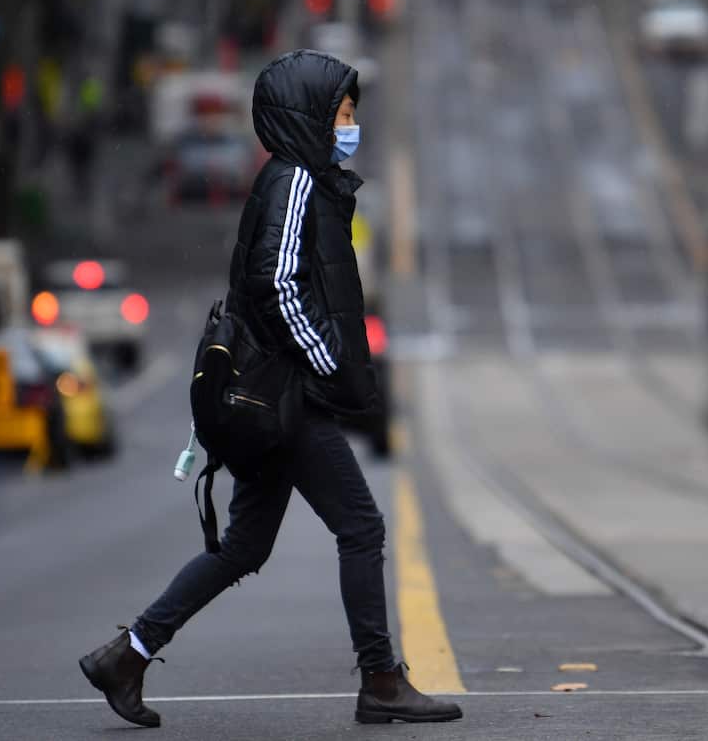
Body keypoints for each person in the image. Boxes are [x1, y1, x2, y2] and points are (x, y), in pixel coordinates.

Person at [78, 50, 462, 728]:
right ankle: (380, 679)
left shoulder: (302, 179)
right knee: (362, 526)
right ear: (308, 116)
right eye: (343, 114)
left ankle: (128, 654)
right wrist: (328, 362)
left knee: (244, 547)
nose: (351, 126)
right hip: (289, 396)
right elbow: (275, 283)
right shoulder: (293, 183)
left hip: (276, 397)